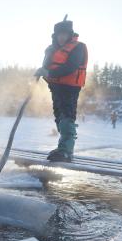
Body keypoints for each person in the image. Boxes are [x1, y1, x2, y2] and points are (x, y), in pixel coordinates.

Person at [34, 15, 88, 162]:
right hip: (56, 88)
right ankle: (62, 148)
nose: (61, 37)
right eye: (59, 34)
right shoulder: (51, 50)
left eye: (64, 34)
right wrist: (40, 72)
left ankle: (66, 151)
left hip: (69, 88)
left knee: (66, 116)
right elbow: (46, 67)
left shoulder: (78, 47)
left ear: (70, 34)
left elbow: (71, 67)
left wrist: (49, 73)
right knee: (59, 117)